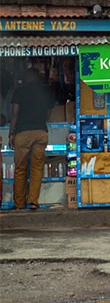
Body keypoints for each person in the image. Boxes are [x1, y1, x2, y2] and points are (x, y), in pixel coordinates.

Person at [9, 68, 55, 210]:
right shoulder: (46, 92)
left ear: (28, 77)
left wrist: (11, 133)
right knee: (36, 168)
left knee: (20, 169)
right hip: (40, 132)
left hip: (23, 133)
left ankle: (19, 203)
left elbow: (15, 114)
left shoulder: (19, 91)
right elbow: (49, 113)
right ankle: (33, 202)